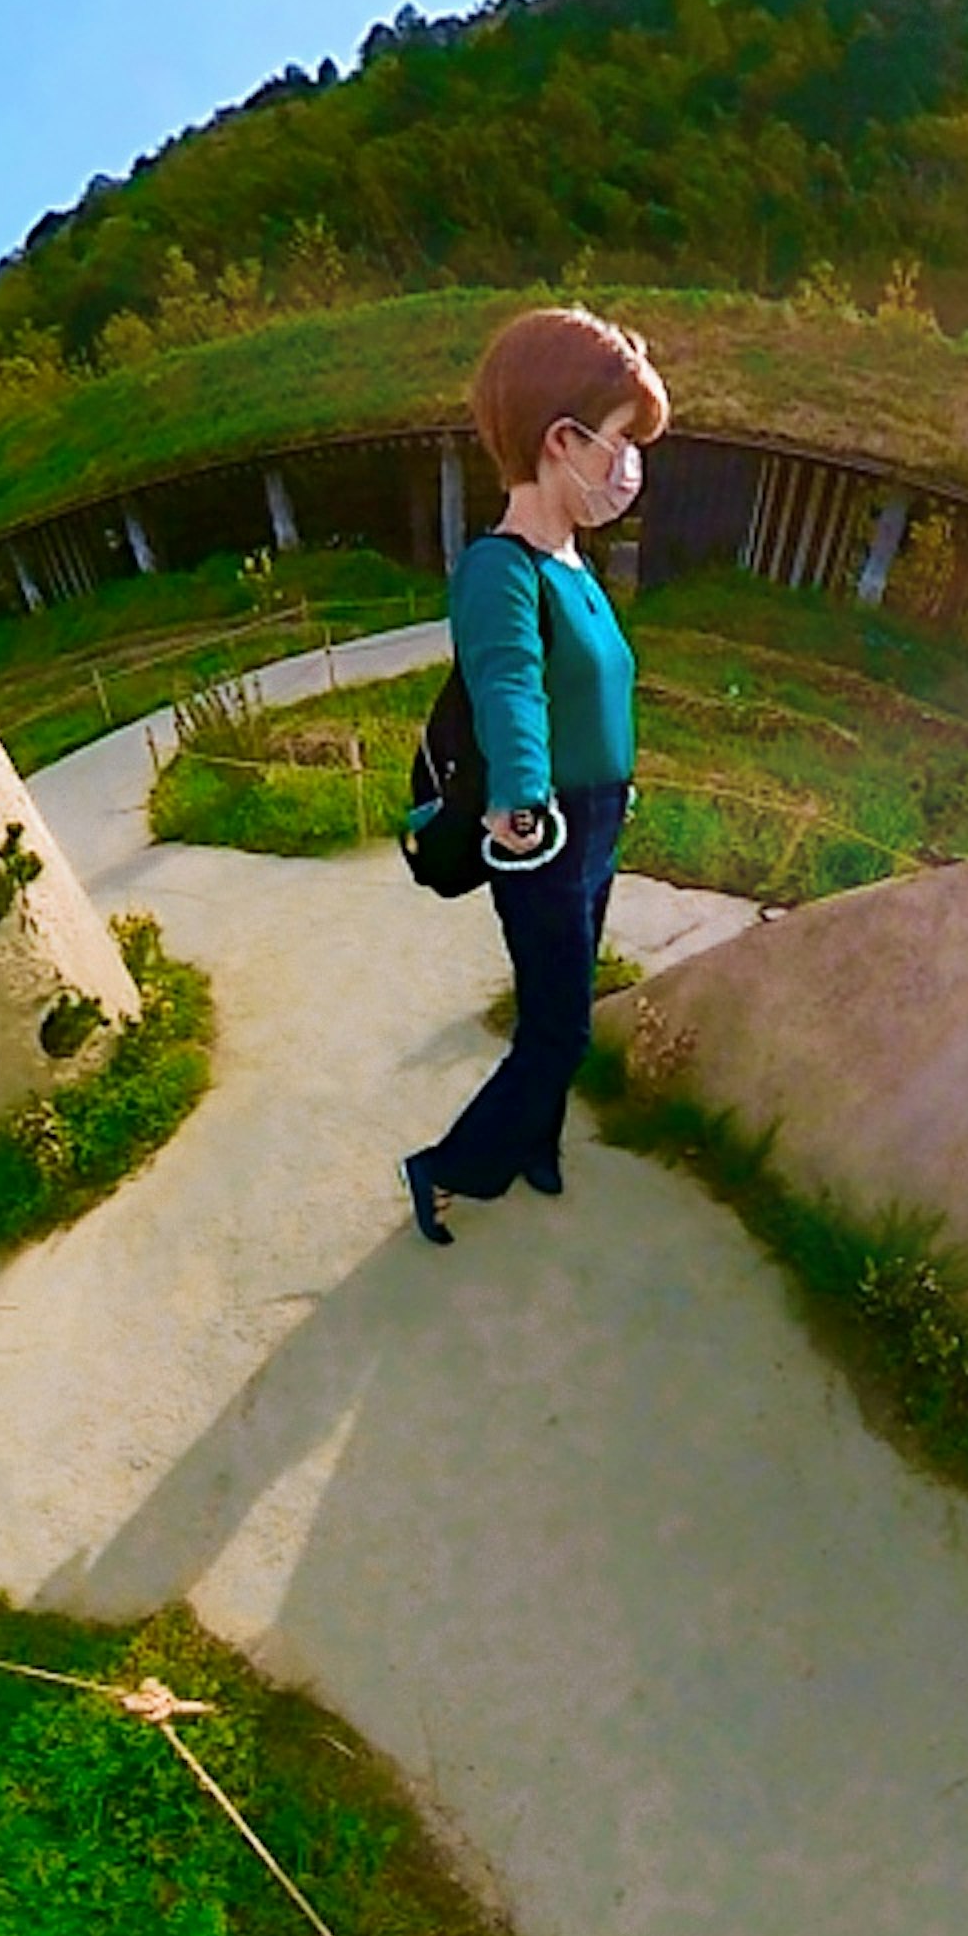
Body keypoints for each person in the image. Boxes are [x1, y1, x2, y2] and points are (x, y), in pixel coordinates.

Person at [402, 304, 670, 1245]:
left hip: (597, 822)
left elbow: (596, 690)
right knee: (561, 1029)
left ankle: (535, 1143)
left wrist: (620, 786)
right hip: (543, 831)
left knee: (563, 1005)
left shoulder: (574, 564)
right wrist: (521, 800)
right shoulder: (499, 568)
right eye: (622, 442)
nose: (630, 466)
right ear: (564, 440)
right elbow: (509, 684)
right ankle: (447, 1168)